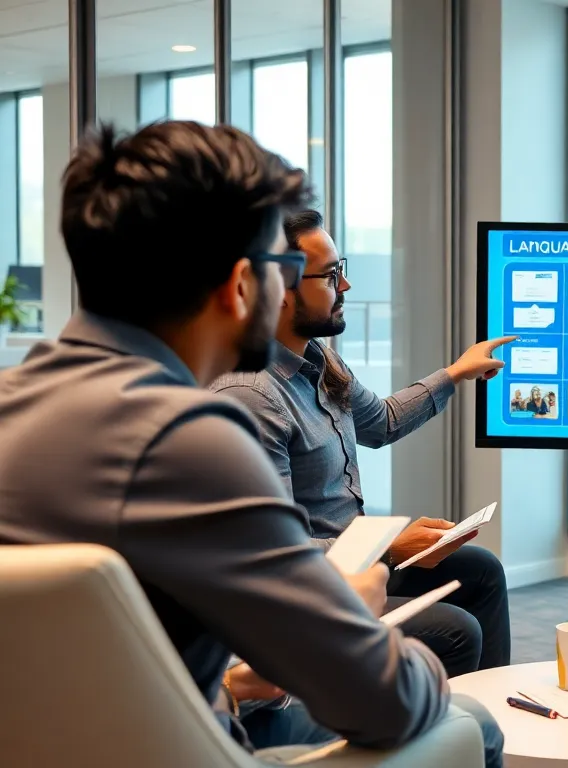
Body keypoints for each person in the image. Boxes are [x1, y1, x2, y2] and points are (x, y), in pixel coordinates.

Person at [0, 121, 495, 758]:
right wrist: (357, 614)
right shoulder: (189, 441)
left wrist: (229, 687)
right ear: (241, 285)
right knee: (473, 724)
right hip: (193, 751)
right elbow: (384, 700)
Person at [212, 209, 514, 676]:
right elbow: (274, 553)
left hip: (355, 566)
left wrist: (456, 373)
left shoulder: (318, 360)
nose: (346, 286)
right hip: (307, 592)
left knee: (481, 571)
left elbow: (383, 422)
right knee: (455, 629)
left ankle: (481, 716)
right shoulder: (251, 396)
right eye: (331, 275)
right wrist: (389, 547)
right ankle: (438, 720)